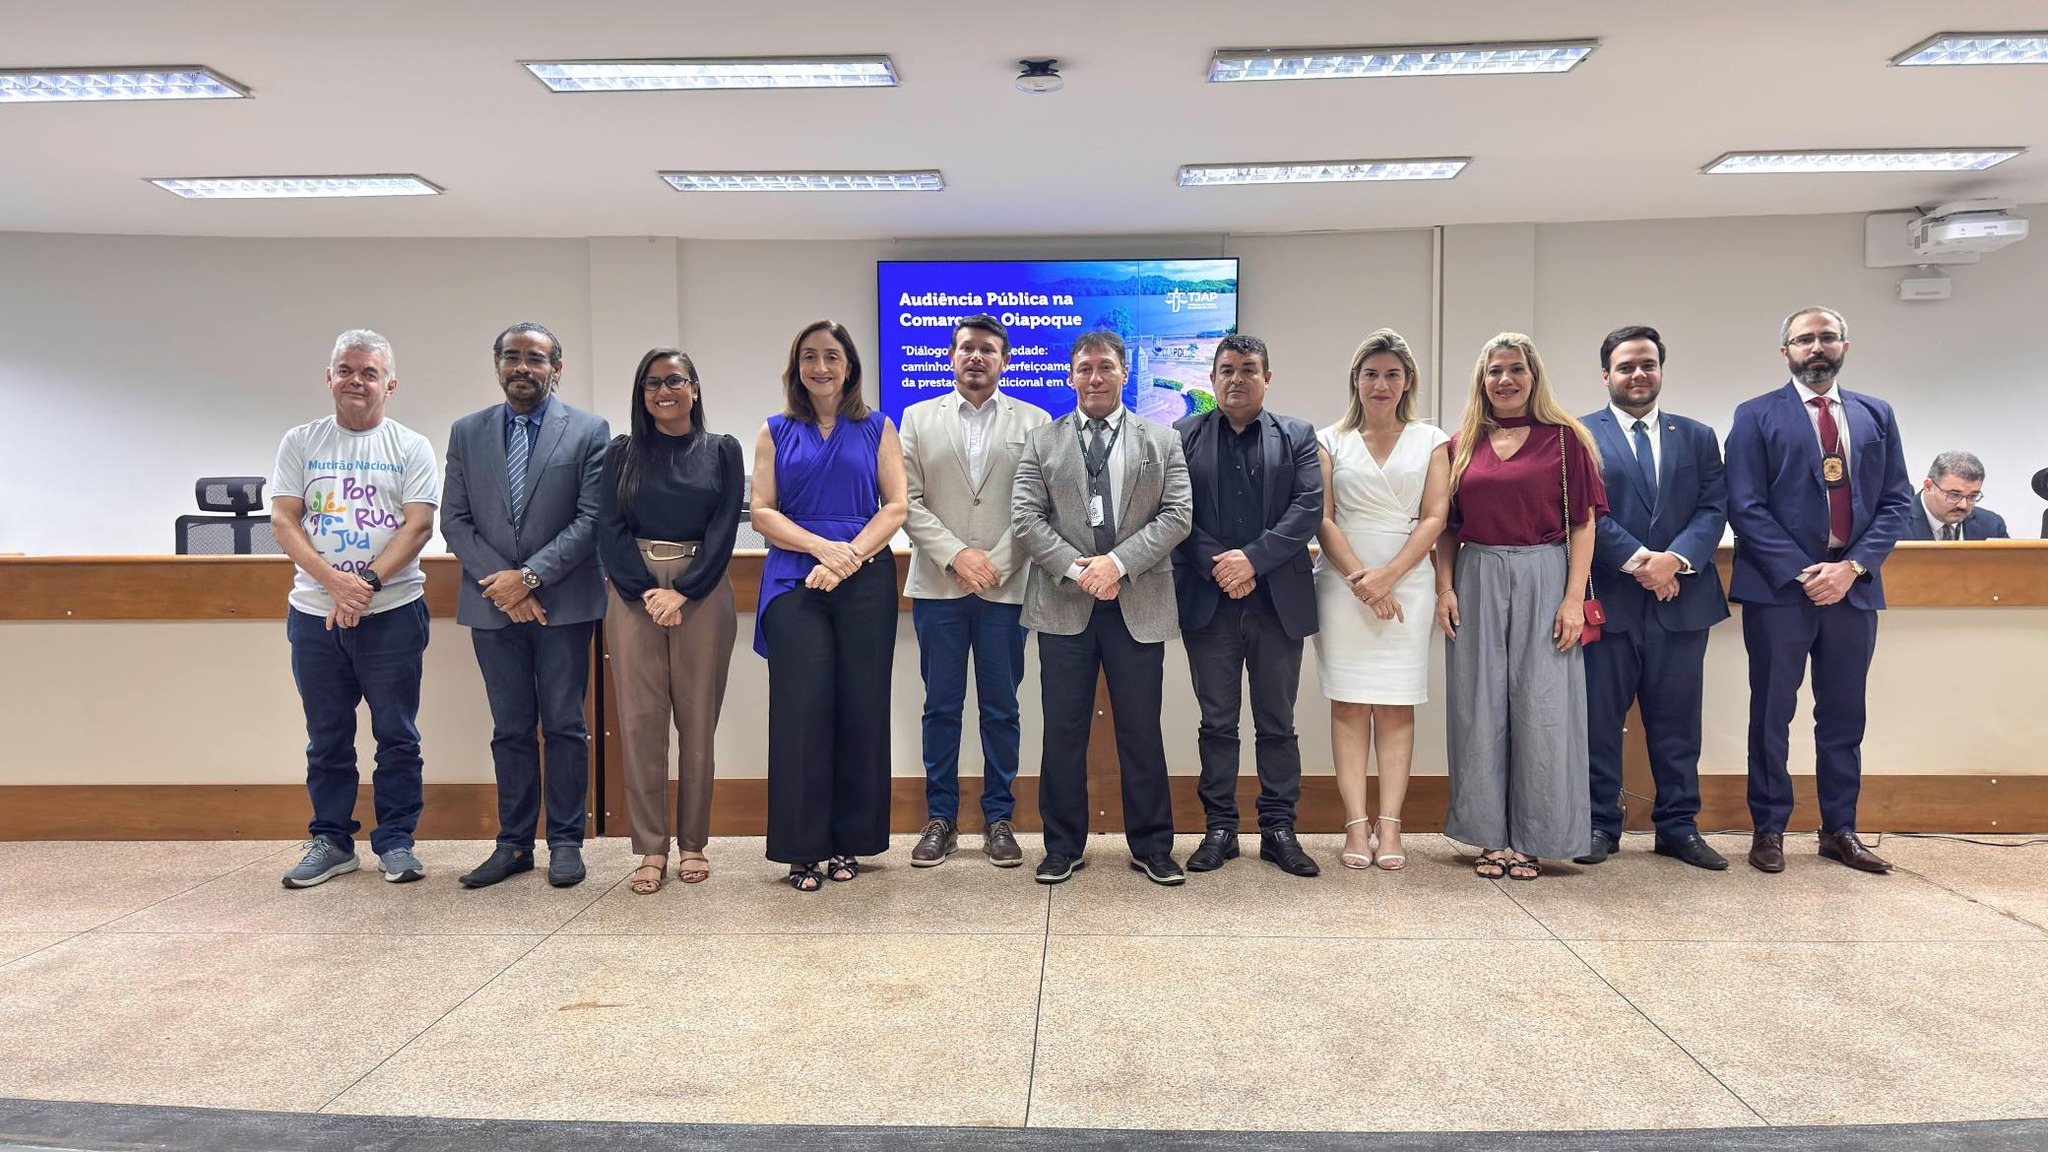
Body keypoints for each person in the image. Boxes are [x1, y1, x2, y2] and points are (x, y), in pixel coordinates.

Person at [1726, 306, 1915, 874]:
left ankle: (1839, 829)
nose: (1816, 347)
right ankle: (1768, 829)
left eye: (1826, 337)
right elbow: (1746, 506)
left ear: (1844, 347)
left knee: (1843, 715)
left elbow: (1898, 501)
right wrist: (1807, 572)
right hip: (1781, 589)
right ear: (1784, 351)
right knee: (1771, 713)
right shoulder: (1756, 415)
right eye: (1804, 339)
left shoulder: (1875, 415)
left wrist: (1851, 567)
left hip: (1852, 589)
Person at [1014, 329, 1193, 886]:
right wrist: (1081, 570)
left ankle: (1153, 846)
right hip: (1064, 605)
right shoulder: (1042, 441)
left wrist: (1115, 565)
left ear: (1123, 374)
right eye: (1086, 368)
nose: (1096, 377)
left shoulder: (1160, 440)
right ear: (1071, 375)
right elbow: (1025, 519)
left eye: (1106, 367)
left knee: (1142, 731)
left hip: (1137, 601)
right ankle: (1062, 846)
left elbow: (1178, 514)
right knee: (1062, 733)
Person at [442, 322, 610, 889]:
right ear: (497, 365)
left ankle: (565, 842)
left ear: (555, 369)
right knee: (510, 728)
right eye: (511, 357)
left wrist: (531, 577)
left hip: (564, 602)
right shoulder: (467, 432)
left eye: (535, 358)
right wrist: (505, 586)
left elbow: (592, 519)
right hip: (493, 606)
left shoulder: (589, 431)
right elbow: (454, 521)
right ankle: (513, 845)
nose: (522, 367)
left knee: (565, 725)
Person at [270, 329, 440, 888]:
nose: (356, 381)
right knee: (327, 736)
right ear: (329, 377)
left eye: (369, 372)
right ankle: (332, 841)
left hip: (393, 613)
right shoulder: (301, 442)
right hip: (314, 616)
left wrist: (361, 585)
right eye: (346, 370)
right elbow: (284, 521)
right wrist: (333, 585)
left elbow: (419, 525)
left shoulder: (410, 447)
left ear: (390, 384)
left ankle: (395, 842)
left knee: (397, 735)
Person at [1434, 333, 1606, 881]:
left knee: (1544, 707)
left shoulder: (1565, 441)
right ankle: (1487, 836)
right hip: (1476, 572)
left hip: (1544, 573)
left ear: (1534, 378)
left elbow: (1583, 523)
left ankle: (1536, 838)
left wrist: (1574, 599)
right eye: (1494, 371)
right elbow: (1445, 528)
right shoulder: (1461, 444)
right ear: (1480, 381)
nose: (1504, 380)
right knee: (1477, 703)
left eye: (1515, 369)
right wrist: (1445, 587)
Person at [750, 320, 908, 892]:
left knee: (862, 710)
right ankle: (802, 849)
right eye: (810, 356)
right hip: (795, 579)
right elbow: (763, 511)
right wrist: (820, 547)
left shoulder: (878, 427)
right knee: (800, 713)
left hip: (865, 579)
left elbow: (894, 508)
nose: (821, 367)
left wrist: (848, 558)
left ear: (850, 367)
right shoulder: (774, 431)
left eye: (833, 357)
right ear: (796, 366)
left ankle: (851, 843)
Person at [1574, 326, 1730, 871]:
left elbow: (1714, 508)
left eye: (1647, 364)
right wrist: (1644, 562)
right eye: (1625, 366)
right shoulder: (1579, 435)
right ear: (1606, 376)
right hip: (1610, 601)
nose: (1638, 374)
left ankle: (1679, 827)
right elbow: (1586, 513)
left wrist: (1675, 562)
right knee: (1598, 722)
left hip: (1681, 603)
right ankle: (1598, 823)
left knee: (1678, 723)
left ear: (1660, 369)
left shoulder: (1697, 435)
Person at [900, 315, 1050, 868]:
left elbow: (1036, 505)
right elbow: (907, 502)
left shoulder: (1035, 421)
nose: (976, 358)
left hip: (1006, 590)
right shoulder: (915, 419)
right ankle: (940, 818)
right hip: (938, 587)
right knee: (940, 706)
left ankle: (999, 819)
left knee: (1001, 708)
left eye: (988, 349)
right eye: (966, 348)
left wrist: (996, 562)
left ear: (1004, 360)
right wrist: (957, 555)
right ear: (950, 356)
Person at [1172, 334, 1322, 878]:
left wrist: (1251, 562)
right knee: (1217, 723)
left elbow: (1308, 508)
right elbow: (1173, 513)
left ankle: (1279, 829)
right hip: (1208, 602)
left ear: (1268, 377)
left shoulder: (1299, 435)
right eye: (1227, 369)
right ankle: (1220, 829)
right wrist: (1223, 565)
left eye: (1249, 369)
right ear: (1212, 380)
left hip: (1277, 602)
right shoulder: (1182, 436)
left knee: (1277, 723)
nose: (1237, 378)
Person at [598, 348, 743, 895]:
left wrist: (682, 591)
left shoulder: (721, 451)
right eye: (652, 383)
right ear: (642, 395)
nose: (664, 391)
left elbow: (726, 527)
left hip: (701, 590)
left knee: (698, 721)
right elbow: (608, 528)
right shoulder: (622, 453)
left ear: (695, 388)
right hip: (634, 590)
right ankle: (651, 848)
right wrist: (645, 591)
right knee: (640, 723)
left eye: (675, 381)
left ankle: (695, 844)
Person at [1312, 329, 1450, 872]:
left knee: (1395, 706)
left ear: (1407, 381)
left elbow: (1437, 516)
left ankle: (1390, 823)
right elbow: (1322, 516)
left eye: (1392, 373)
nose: (1381, 383)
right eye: (1371, 373)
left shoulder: (1432, 439)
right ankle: (1354, 822)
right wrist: (1360, 580)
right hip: (1342, 585)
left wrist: (1389, 577)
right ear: (1356, 380)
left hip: (1408, 580)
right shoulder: (1330, 440)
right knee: (1347, 705)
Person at [1901, 451, 2009, 541]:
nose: (1963, 505)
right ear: (1928, 486)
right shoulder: (1894, 523)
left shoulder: (1992, 526)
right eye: (1954, 495)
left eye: (1972, 496)